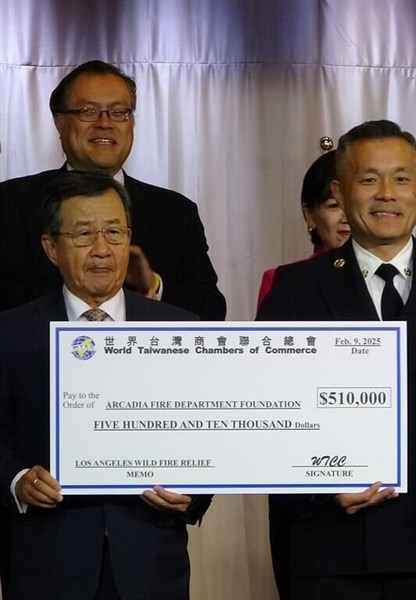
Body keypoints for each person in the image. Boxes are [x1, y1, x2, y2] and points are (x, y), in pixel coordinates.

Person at [257, 119, 416, 599]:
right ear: (340, 189)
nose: (387, 194)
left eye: (401, 178)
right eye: (369, 179)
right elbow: (269, 414)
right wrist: (320, 487)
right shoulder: (295, 290)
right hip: (332, 550)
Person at [0, 171, 211, 599]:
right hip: (47, 562)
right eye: (83, 234)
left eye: (113, 232)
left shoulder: (181, 330)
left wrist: (194, 491)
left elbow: (209, 431)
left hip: (151, 563)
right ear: (51, 248)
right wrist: (18, 478)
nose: (101, 249)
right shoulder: (11, 332)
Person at [0, 60, 226, 320]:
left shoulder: (175, 211)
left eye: (119, 112)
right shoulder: (11, 202)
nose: (105, 123)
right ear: (59, 122)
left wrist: (151, 285)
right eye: (88, 111)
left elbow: (211, 311)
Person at [256, 150, 350, 306]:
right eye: (334, 205)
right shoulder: (283, 282)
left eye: (355, 205)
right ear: (310, 215)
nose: (347, 217)